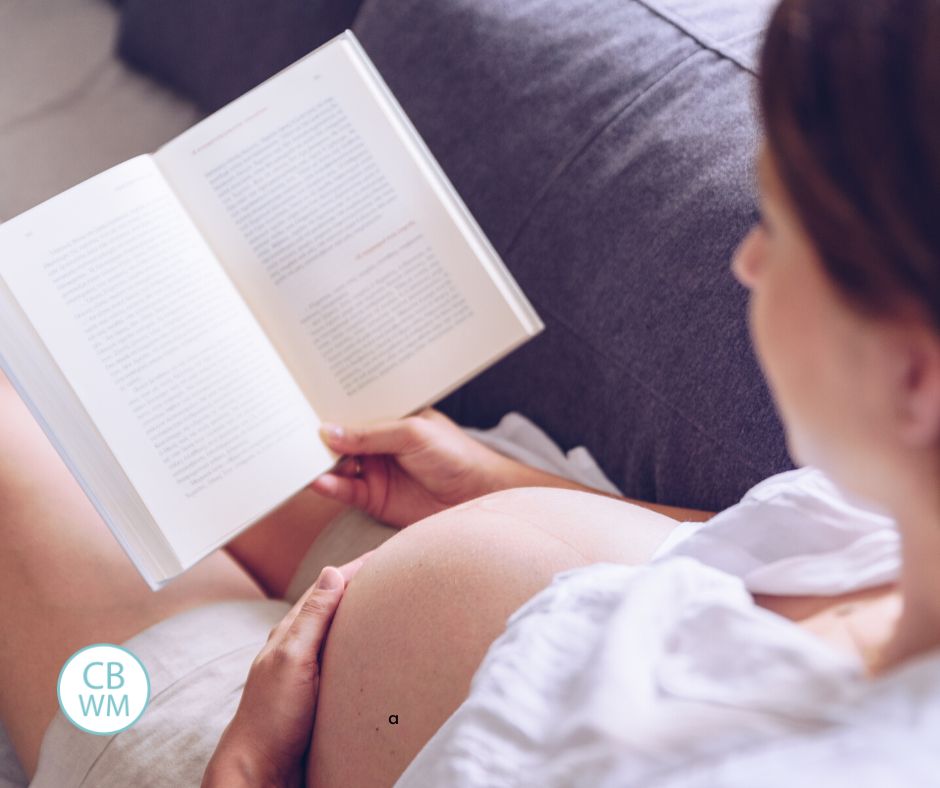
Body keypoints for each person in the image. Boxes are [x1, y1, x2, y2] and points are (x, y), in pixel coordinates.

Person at [1, 0, 937, 786]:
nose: (749, 259)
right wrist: (496, 487)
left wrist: (241, 765)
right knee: (138, 403)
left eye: (783, 226)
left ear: (915, 375)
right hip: (415, 564)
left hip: (246, 728)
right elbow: (731, 560)